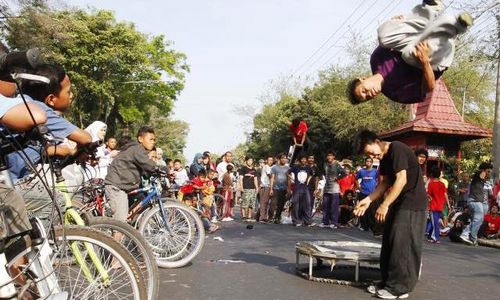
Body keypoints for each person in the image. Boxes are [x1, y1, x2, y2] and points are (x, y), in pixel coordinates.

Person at [348, 1, 473, 105]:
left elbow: (395, 39)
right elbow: (429, 88)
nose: (370, 94)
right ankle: (457, 25)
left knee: (383, 37)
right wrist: (424, 62)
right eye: (368, 98)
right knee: (409, 55)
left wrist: (397, 23)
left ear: (363, 79)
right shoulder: (395, 94)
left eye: (364, 91)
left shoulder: (376, 59)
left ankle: (431, 8)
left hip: (418, 39)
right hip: (435, 58)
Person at [354, 130, 427, 299]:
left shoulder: (397, 148)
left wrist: (385, 204)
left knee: (403, 244)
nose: (372, 156)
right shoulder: (384, 157)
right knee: (390, 241)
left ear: (377, 141)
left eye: (371, 151)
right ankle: (387, 282)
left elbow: (402, 179)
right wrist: (368, 200)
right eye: (367, 154)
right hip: (399, 202)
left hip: (413, 203)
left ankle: (400, 288)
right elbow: (385, 182)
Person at [104, 126, 166, 222]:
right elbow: (148, 164)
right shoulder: (138, 149)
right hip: (116, 186)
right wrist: (166, 170)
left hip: (123, 186)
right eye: (150, 139)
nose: (153, 142)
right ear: (140, 139)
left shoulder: (138, 150)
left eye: (154, 140)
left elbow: (145, 170)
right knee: (121, 223)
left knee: (140, 199)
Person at [465, 162, 493, 244]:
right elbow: (481, 173)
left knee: (477, 220)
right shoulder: (479, 174)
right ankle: (472, 238)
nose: (489, 173)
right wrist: (484, 171)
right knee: (478, 219)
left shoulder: (482, 179)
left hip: (479, 201)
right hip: (475, 200)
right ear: (484, 170)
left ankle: (466, 234)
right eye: (488, 171)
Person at [319, 150, 345, 229]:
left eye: (331, 155)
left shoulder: (337, 164)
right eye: (328, 155)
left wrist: (338, 178)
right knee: (325, 206)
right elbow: (322, 173)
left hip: (335, 188)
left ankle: (334, 222)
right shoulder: (325, 164)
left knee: (334, 207)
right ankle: (325, 222)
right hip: (327, 187)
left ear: (334, 156)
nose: (329, 157)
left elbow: (344, 173)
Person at [288, 153, 314, 227]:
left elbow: (312, 174)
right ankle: (296, 221)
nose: (303, 160)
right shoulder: (296, 167)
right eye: (302, 159)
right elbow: (288, 172)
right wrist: (293, 179)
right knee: (296, 204)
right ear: (300, 160)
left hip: (305, 188)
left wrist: (308, 180)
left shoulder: (308, 167)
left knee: (307, 204)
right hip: (297, 188)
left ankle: (307, 221)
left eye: (305, 159)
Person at [426, 166, 450, 244]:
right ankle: (431, 236)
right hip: (440, 206)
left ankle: (436, 237)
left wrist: (427, 204)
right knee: (435, 222)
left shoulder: (431, 184)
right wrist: (448, 204)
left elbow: (429, 195)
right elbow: (445, 194)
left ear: (432, 174)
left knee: (434, 222)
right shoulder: (442, 184)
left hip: (433, 206)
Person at [357, 157, 379, 232]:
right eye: (367, 161)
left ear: (372, 163)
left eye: (370, 161)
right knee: (363, 211)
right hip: (363, 193)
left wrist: (376, 188)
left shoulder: (375, 171)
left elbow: (379, 180)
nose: (368, 163)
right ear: (365, 162)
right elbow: (356, 179)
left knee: (372, 211)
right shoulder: (361, 171)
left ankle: (372, 226)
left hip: (372, 194)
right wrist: (359, 187)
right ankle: (364, 226)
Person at [269, 153, 290, 224]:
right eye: (282, 158)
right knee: (273, 204)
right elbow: (272, 178)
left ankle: (277, 218)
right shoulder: (275, 167)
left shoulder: (288, 168)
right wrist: (271, 188)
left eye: (285, 158)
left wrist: (288, 189)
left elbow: (288, 179)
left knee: (281, 205)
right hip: (275, 188)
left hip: (284, 188)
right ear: (279, 159)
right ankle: (270, 217)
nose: (284, 159)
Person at [238, 156, 258, 222]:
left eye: (251, 161)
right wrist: (241, 187)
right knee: (244, 202)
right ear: (246, 161)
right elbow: (240, 178)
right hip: (245, 188)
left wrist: (257, 187)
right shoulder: (243, 169)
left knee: (251, 203)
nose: (250, 162)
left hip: (252, 188)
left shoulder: (254, 169)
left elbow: (255, 179)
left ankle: (249, 216)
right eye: (249, 160)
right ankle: (244, 216)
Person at [258, 156, 273, 223]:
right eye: (269, 160)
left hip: (267, 186)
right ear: (267, 161)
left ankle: (259, 216)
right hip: (265, 186)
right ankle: (262, 218)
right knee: (264, 203)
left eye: (272, 160)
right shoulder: (266, 167)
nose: (270, 161)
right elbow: (270, 176)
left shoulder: (270, 167)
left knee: (265, 202)